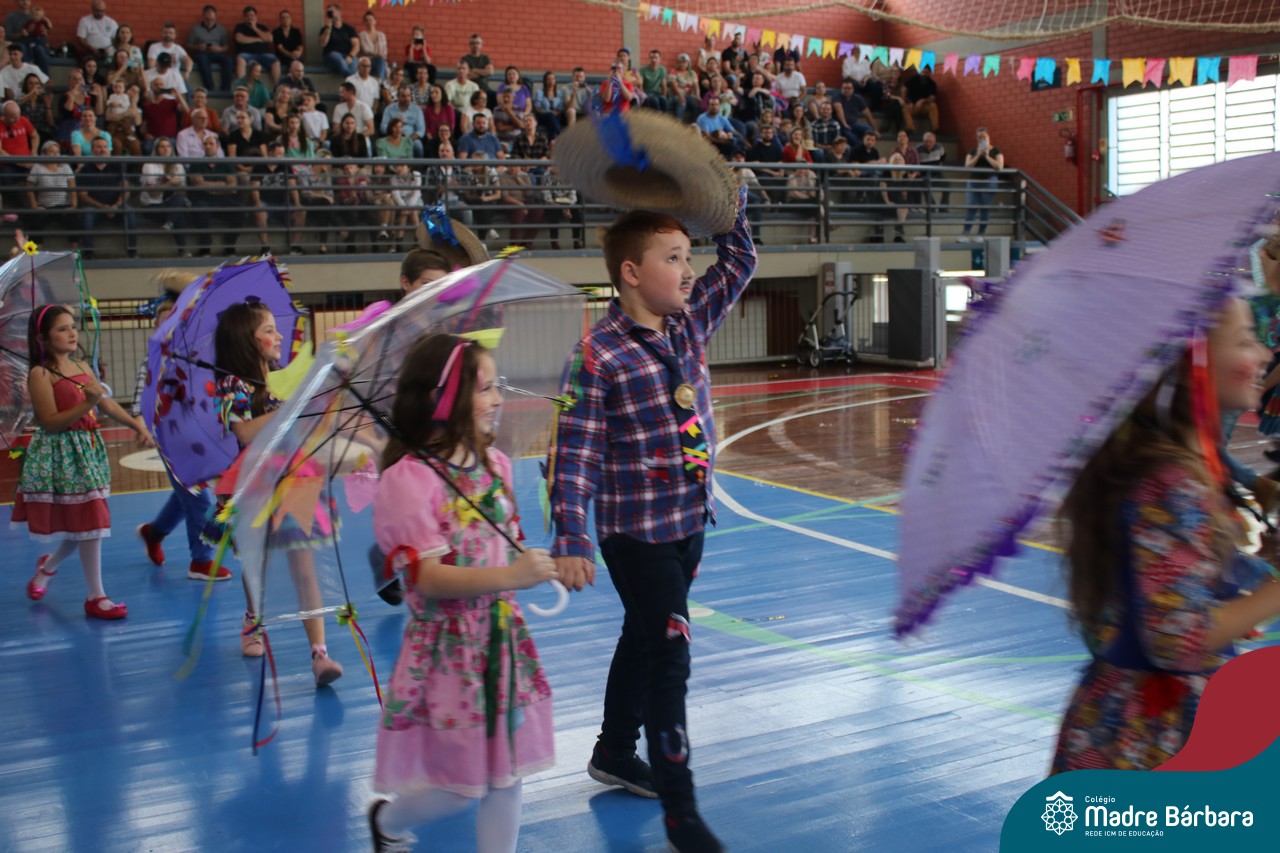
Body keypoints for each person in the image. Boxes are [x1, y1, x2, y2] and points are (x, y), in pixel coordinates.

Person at [548, 186, 756, 853]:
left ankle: (614, 750)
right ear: (631, 272)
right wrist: (572, 535)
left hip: (690, 520)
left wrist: (728, 198)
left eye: (689, 256)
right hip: (634, 531)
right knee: (670, 657)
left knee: (643, 634)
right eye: (673, 257)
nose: (689, 270)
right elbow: (574, 452)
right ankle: (682, 815)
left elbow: (739, 261)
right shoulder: (597, 355)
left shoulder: (688, 324)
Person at [1053, 296, 1280, 772]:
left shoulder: (1173, 465)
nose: (1263, 355)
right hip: (1156, 731)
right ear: (1189, 362)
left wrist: (1263, 563)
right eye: (1244, 341)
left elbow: (1182, 582)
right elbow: (1179, 639)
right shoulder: (1168, 480)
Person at [366, 333, 557, 853]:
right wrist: (511, 576)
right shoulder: (410, 480)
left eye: (498, 386)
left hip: (501, 639)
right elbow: (427, 579)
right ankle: (388, 821)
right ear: (445, 399)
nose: (498, 399)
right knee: (459, 786)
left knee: (507, 775)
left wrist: (527, 560)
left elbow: (501, 540)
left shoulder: (494, 464)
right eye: (486, 388)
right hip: (451, 653)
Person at [212, 301, 343, 683]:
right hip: (254, 482)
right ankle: (253, 617)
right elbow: (244, 431)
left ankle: (319, 653)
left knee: (304, 562)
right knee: (259, 562)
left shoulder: (283, 379)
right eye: (268, 330)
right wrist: (294, 407)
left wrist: (326, 395)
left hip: (296, 478)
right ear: (246, 339)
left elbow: (306, 427)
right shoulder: (232, 384)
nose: (279, 336)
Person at [17, 304, 153, 619]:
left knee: (84, 525)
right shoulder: (40, 374)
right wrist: (86, 403)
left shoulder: (80, 365)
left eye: (72, 326)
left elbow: (105, 403)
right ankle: (96, 596)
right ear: (43, 338)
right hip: (62, 455)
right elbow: (51, 423)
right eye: (62, 329)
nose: (72, 333)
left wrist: (137, 426)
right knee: (89, 523)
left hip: (87, 451)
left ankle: (48, 569)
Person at [134, 274, 229, 579]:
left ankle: (154, 532)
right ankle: (201, 560)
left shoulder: (200, 352)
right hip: (170, 435)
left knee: (187, 492)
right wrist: (141, 423)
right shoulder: (156, 359)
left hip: (198, 431)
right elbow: (143, 396)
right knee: (196, 495)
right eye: (164, 321)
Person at [961, 126, 1004, 240]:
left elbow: (999, 166)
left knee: (984, 208)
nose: (981, 139)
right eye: (979, 137)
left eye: (984, 137)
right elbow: (967, 166)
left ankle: (981, 234)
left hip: (989, 182)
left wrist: (987, 156)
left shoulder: (996, 151)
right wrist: (978, 155)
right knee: (971, 207)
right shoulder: (972, 151)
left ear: (988, 137)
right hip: (974, 182)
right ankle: (965, 234)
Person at [188, 4, 234, 93]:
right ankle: (210, 88)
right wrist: (198, 46)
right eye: (207, 19)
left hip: (217, 53)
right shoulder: (195, 29)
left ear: (215, 17)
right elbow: (189, 45)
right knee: (202, 60)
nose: (209, 21)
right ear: (203, 17)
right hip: (202, 53)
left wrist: (219, 49)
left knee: (228, 60)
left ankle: (225, 88)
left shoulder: (221, 29)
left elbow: (226, 47)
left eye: (212, 19)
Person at [232, 5, 278, 85]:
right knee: (240, 58)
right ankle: (242, 86)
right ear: (244, 18)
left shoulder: (262, 27)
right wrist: (258, 39)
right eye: (247, 16)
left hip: (263, 54)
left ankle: (277, 86)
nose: (250, 17)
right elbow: (239, 39)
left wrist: (254, 28)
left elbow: (269, 39)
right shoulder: (240, 27)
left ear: (256, 17)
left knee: (275, 61)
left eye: (252, 15)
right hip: (246, 55)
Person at [319, 3, 357, 78]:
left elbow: (356, 45)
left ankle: (349, 79)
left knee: (354, 62)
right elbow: (322, 44)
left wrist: (350, 56)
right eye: (329, 12)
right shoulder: (325, 29)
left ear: (339, 12)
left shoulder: (349, 29)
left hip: (347, 55)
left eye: (332, 11)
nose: (331, 14)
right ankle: (350, 79)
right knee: (337, 57)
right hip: (331, 56)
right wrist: (328, 28)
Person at [358, 10, 387, 80]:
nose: (369, 22)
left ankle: (378, 81)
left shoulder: (381, 35)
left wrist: (375, 54)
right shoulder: (362, 35)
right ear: (365, 22)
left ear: (375, 21)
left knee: (381, 60)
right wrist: (377, 54)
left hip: (379, 61)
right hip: (367, 61)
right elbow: (365, 51)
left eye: (371, 20)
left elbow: (384, 52)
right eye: (367, 20)